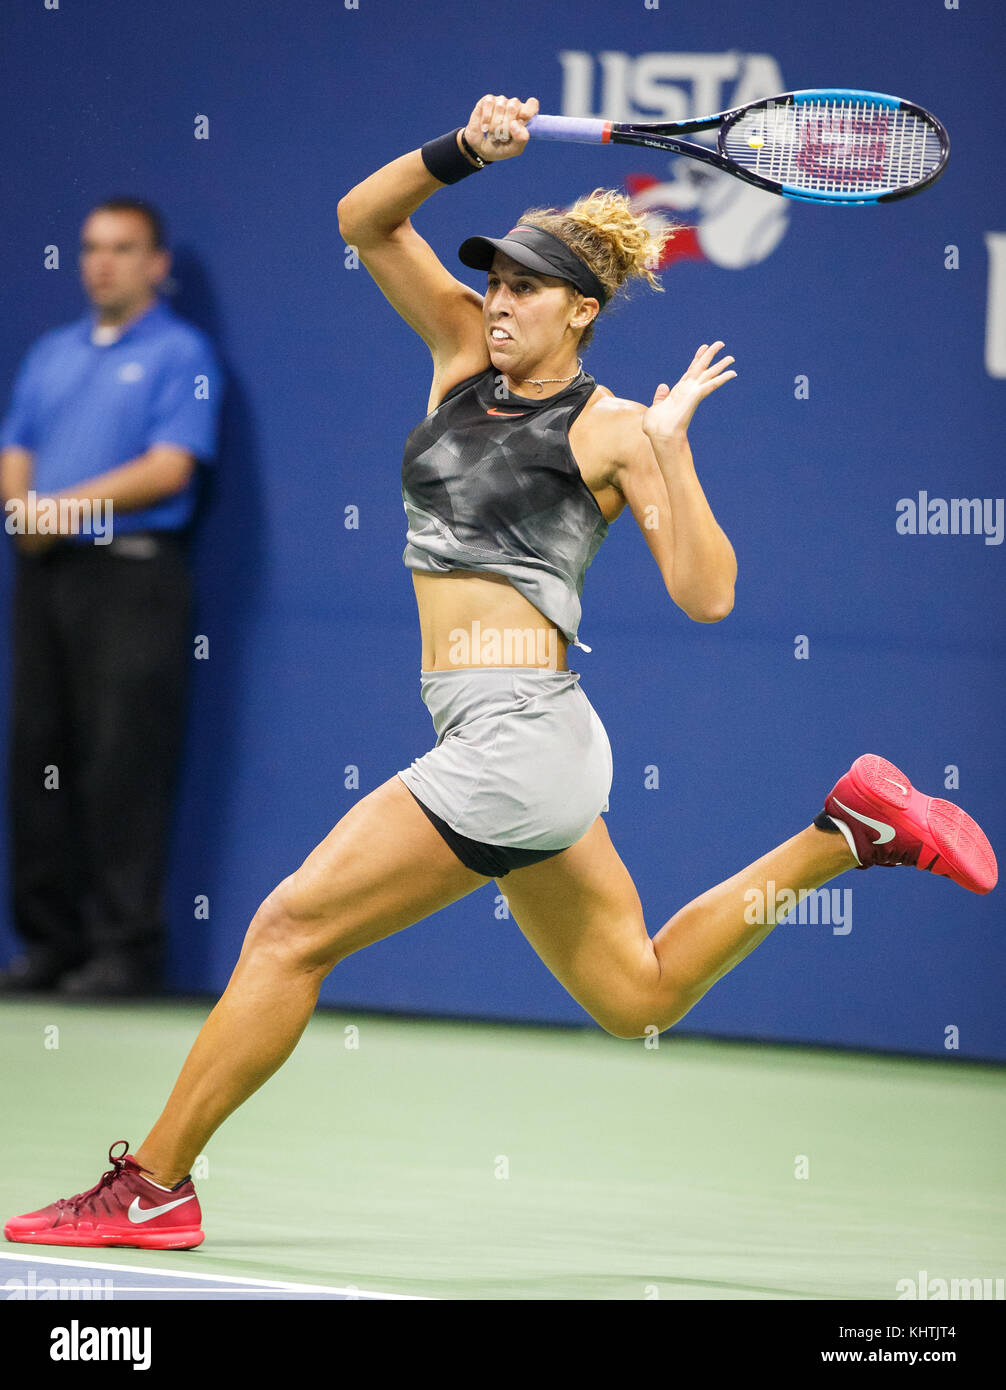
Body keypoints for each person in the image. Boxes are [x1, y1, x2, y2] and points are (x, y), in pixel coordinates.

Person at [4, 96, 995, 1250]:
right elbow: (365, 221)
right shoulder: (460, 358)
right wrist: (461, 150)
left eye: (524, 286)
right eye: (493, 279)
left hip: (518, 739)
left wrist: (672, 453)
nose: (498, 299)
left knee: (284, 932)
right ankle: (846, 829)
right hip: (530, 748)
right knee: (639, 995)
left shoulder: (614, 427)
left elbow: (708, 593)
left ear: (581, 309)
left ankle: (156, 1183)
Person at [0, 198, 222, 998]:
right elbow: (16, 443)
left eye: (123, 249)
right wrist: (25, 510)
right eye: (92, 248)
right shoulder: (51, 353)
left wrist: (61, 511)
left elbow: (170, 469)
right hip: (46, 577)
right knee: (39, 759)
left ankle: (124, 953)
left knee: (121, 763)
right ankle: (50, 947)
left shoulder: (180, 353)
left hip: (133, 576)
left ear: (156, 265)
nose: (102, 263)